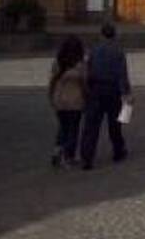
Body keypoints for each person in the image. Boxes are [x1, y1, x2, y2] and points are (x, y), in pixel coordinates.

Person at [80, 22, 132, 169]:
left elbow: (87, 71)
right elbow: (122, 74)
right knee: (115, 124)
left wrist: (86, 89)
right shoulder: (118, 52)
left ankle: (87, 157)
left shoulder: (93, 50)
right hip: (113, 90)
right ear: (114, 35)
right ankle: (118, 151)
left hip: (96, 89)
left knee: (91, 125)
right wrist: (126, 93)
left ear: (101, 35)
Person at [48, 35, 86, 168]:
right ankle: (68, 156)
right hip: (75, 102)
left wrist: (51, 97)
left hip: (59, 100)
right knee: (73, 130)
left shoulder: (57, 63)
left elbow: (52, 82)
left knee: (63, 128)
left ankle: (57, 151)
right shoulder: (80, 65)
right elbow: (84, 84)